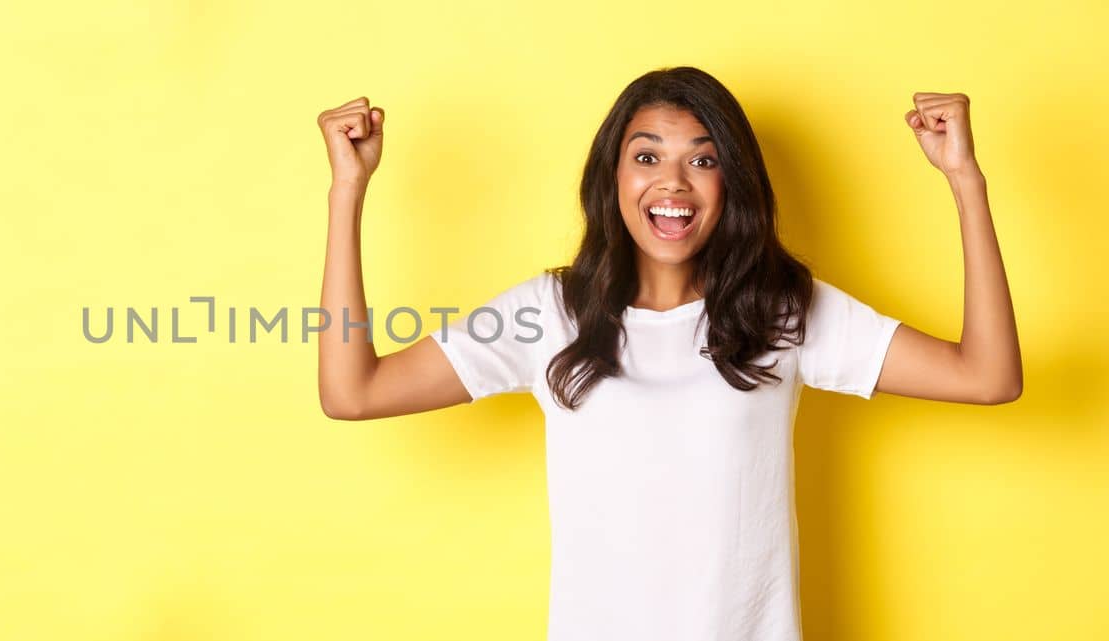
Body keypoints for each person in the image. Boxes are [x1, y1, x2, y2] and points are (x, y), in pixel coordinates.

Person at [313, 66, 1021, 641]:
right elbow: (354, 391)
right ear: (613, 177)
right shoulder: (547, 313)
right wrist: (348, 190)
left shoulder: (781, 310)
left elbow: (987, 376)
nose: (672, 183)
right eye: (647, 155)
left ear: (730, 183)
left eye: (702, 159)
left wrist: (966, 181)